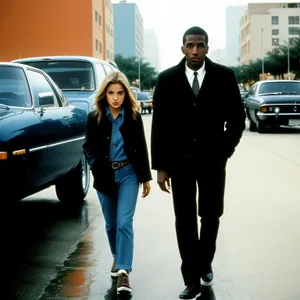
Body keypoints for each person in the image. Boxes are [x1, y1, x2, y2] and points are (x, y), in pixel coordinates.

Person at [151, 26, 246, 299]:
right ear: (182, 48)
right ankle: (191, 278)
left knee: (211, 214)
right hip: (179, 163)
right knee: (184, 219)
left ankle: (205, 263)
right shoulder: (167, 79)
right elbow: (160, 127)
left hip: (213, 163)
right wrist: (161, 166)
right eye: (190, 45)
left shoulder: (224, 76)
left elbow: (237, 120)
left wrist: (224, 151)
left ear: (207, 47)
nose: (195, 51)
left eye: (200, 45)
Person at [83, 71, 152, 297]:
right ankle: (117, 257)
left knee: (124, 222)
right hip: (104, 176)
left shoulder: (133, 116)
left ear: (125, 94)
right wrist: (95, 166)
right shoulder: (95, 117)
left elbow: (141, 148)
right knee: (111, 225)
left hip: (129, 174)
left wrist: (146, 178)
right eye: (111, 93)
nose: (115, 98)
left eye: (120, 93)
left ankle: (123, 270)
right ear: (105, 94)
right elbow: (88, 148)